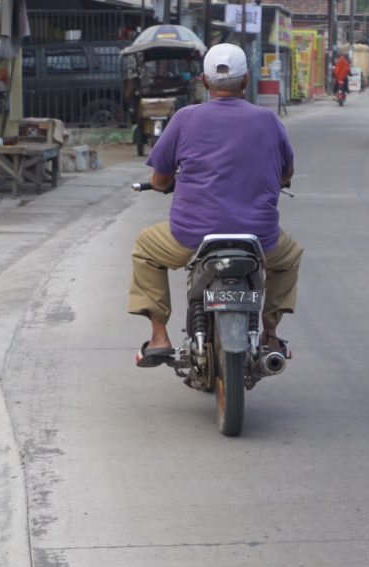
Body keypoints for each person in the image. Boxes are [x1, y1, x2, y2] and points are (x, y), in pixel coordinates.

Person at [129, 43, 304, 367]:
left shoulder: (185, 118)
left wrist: (162, 185)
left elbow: (160, 180)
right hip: (259, 239)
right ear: (245, 80)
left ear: (205, 82)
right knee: (290, 257)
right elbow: (286, 173)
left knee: (144, 249)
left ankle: (159, 336)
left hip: (192, 236)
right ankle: (269, 333)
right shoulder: (267, 120)